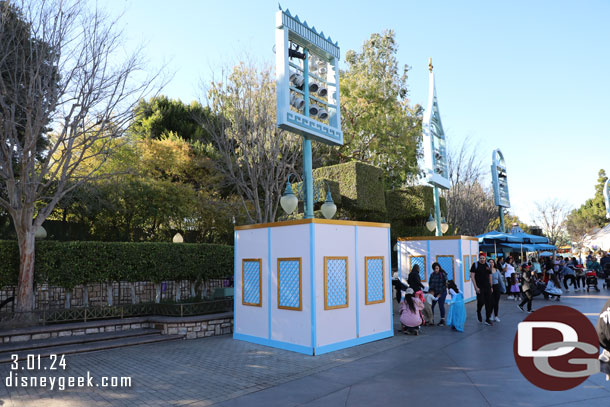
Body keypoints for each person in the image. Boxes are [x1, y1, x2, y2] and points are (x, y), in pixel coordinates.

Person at [470, 252, 494, 326]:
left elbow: (490, 276)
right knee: (481, 301)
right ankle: (478, 311)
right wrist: (475, 287)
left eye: (483, 258)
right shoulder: (475, 265)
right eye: (481, 258)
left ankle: (487, 319)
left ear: (485, 258)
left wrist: (491, 286)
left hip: (487, 286)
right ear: (479, 258)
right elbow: (472, 276)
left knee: (488, 303)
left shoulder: (487, 265)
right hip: (479, 287)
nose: (482, 259)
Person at [428, 262, 448, 326]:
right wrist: (431, 291)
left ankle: (442, 320)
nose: (436, 270)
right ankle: (431, 319)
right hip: (434, 292)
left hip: (442, 292)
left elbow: (446, 284)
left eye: (437, 268)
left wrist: (441, 292)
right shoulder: (432, 275)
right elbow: (430, 283)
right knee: (431, 306)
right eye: (435, 269)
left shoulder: (443, 274)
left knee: (441, 305)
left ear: (439, 268)